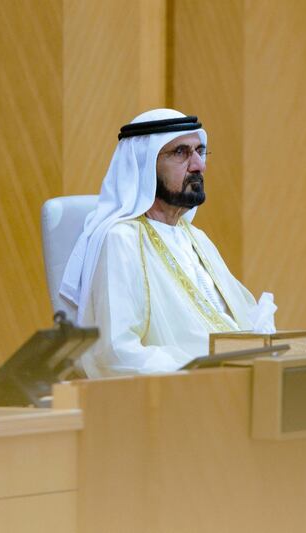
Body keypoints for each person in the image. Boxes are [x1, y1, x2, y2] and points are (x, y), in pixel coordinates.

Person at [60, 109, 275, 377]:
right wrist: (201, 372)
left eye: (200, 151)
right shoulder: (121, 240)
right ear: (144, 163)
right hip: (179, 397)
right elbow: (116, 351)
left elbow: (244, 320)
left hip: (232, 384)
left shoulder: (196, 238)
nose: (199, 165)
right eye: (181, 153)